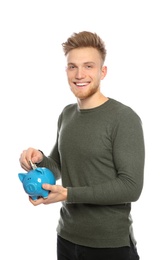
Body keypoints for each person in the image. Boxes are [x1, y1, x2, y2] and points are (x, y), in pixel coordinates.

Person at [19, 31, 145, 260]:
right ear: (66, 70)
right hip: (66, 237)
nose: (79, 74)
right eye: (72, 67)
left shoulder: (124, 118)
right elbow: (57, 167)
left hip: (109, 246)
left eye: (88, 66)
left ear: (102, 71)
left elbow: (131, 187)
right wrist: (37, 159)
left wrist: (68, 194)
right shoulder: (67, 114)